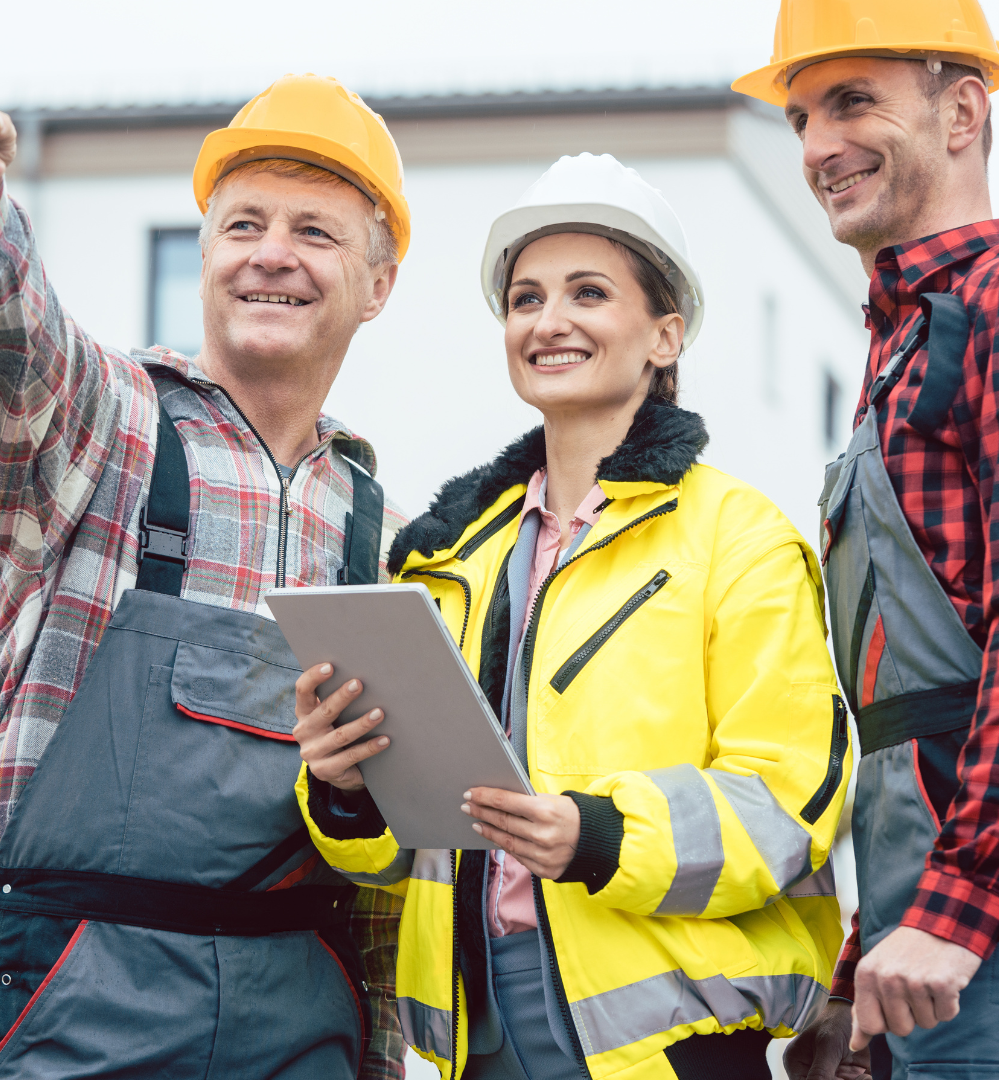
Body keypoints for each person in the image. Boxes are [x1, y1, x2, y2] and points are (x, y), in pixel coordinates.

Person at [0, 35, 417, 1080]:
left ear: (378, 284)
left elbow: (384, 861)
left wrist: (384, 1051)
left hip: (305, 1017)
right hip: (84, 1002)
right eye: (244, 225)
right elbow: (7, 344)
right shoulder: (108, 426)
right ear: (206, 249)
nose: (272, 253)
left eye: (315, 232)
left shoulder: (379, 530)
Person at [289, 153, 852, 1080]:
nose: (548, 322)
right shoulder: (448, 562)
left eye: (588, 294)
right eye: (525, 299)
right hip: (484, 1041)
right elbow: (408, 843)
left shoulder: (738, 538)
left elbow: (790, 802)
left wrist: (600, 834)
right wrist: (348, 788)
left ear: (664, 336)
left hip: (674, 1046)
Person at [730, 3, 999, 1079]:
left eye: (852, 102)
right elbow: (899, 720)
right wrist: (862, 954)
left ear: (962, 109)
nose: (816, 146)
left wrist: (961, 907)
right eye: (799, 116)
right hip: (936, 901)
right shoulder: (898, 351)